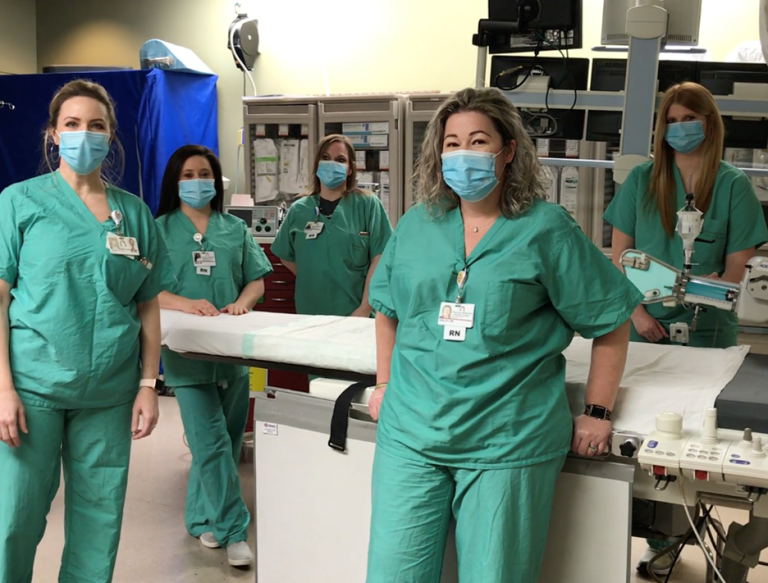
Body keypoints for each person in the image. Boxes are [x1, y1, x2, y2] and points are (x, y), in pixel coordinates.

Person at [364, 87, 644, 583]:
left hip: (506, 441)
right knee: (392, 574)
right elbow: (387, 309)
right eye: (452, 144)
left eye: (478, 141)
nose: (463, 154)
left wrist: (597, 411)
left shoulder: (545, 229)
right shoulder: (417, 225)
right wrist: (384, 383)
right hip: (410, 434)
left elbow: (610, 319)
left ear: (508, 150)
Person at [0, 79, 167, 582]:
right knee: (15, 518)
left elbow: (147, 304)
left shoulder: (133, 213)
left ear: (110, 136)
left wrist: (148, 383)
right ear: (53, 134)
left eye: (96, 125)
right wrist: (3, 387)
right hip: (34, 386)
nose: (83, 134)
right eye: (71, 124)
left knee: (99, 520)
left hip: (110, 391)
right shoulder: (19, 203)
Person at [605, 82, 768, 575]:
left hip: (707, 332)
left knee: (697, 440)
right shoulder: (642, 181)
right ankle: (661, 538)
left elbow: (735, 270)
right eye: (671, 121)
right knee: (645, 437)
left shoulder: (733, 186)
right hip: (643, 327)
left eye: (689, 119)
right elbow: (620, 257)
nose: (680, 129)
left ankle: (696, 524)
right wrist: (637, 313)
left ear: (709, 124)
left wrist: (705, 291)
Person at [155, 145, 273, 568]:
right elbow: (146, 288)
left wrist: (242, 302)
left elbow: (257, 280)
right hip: (186, 353)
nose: (197, 181)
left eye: (204, 174)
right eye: (187, 174)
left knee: (225, 442)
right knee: (210, 444)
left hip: (233, 354)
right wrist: (184, 303)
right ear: (174, 181)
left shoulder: (233, 229)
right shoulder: (159, 230)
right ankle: (234, 531)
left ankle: (199, 517)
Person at [270, 134, 393, 317]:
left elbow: (380, 257)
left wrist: (364, 308)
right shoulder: (299, 209)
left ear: (350, 169)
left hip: (356, 314)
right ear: (317, 164)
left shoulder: (367, 205)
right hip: (310, 312)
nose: (331, 164)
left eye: (340, 160)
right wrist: (314, 276)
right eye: (326, 158)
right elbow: (286, 255)